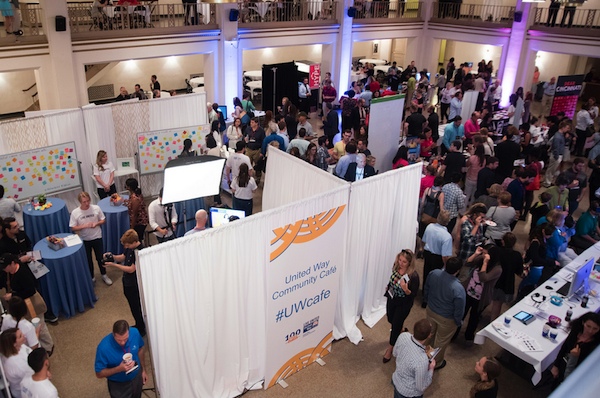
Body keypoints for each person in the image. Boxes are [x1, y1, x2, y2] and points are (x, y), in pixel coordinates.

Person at [424, 257, 466, 369]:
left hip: (431, 310)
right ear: (458, 270)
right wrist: (458, 322)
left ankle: (425, 355)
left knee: (429, 335)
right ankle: (436, 362)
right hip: (447, 319)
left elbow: (426, 289)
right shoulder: (458, 288)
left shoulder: (433, 273)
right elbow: (459, 310)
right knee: (440, 341)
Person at [103, 232, 146, 337]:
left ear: (134, 242)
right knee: (132, 306)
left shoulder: (141, 251)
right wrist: (112, 256)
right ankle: (138, 324)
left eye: (127, 245)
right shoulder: (129, 247)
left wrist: (114, 265)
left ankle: (141, 328)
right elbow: (122, 257)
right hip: (127, 281)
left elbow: (131, 269)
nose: (126, 247)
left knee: (136, 306)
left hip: (134, 284)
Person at [382, 249, 420, 363]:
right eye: (400, 260)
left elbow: (413, 294)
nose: (401, 263)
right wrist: (389, 286)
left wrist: (406, 289)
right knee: (390, 318)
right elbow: (393, 279)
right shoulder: (396, 266)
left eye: (404, 262)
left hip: (403, 303)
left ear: (409, 263)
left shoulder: (413, 276)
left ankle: (390, 349)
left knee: (395, 326)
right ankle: (401, 329)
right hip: (392, 298)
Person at [95, 320, 147, 397]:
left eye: (126, 339)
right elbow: (99, 373)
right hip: (118, 384)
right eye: (119, 340)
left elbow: (140, 349)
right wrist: (119, 369)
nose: (123, 343)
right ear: (113, 334)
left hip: (136, 376)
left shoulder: (135, 333)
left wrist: (143, 370)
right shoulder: (103, 348)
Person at [70, 192, 111, 285]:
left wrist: (96, 224)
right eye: (84, 202)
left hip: (97, 236)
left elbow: (103, 220)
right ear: (80, 202)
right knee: (88, 259)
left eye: (88, 201)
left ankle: (104, 275)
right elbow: (73, 227)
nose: (87, 203)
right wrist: (84, 226)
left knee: (100, 258)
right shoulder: (75, 213)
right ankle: (91, 277)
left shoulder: (96, 208)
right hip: (85, 239)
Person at [462, 245, 502, 343]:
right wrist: (476, 254)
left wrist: (485, 263)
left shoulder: (497, 269)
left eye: (485, 253)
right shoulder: (481, 258)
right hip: (468, 292)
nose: (483, 255)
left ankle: (468, 335)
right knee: (461, 314)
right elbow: (467, 263)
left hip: (481, 298)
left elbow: (483, 278)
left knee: (474, 317)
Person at [551, 312, 600, 386]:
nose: (590, 331)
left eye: (595, 329)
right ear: (583, 323)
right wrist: (556, 365)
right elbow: (564, 347)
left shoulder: (595, 345)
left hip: (573, 372)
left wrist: (575, 357)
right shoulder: (576, 331)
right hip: (563, 363)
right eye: (588, 326)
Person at [391, 319, 435, 398]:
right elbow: (421, 387)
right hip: (408, 393)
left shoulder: (403, 335)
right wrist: (431, 368)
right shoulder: (422, 361)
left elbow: (394, 353)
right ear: (429, 335)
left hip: (396, 379)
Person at [421, 210, 452, 308]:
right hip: (438, 258)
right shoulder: (447, 236)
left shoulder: (429, 227)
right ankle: (430, 298)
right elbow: (445, 255)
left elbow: (423, 241)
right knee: (435, 279)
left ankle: (423, 297)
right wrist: (446, 266)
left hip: (428, 254)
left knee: (426, 274)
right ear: (448, 222)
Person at [489, 233, 524, 321]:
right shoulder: (517, 255)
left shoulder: (496, 251)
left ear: (503, 241)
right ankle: (494, 321)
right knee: (499, 304)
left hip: (495, 280)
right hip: (507, 282)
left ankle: (491, 320)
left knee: (494, 304)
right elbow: (519, 272)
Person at [0, 328, 33, 398]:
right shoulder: (18, 364)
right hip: (24, 392)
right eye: (20, 336)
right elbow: (33, 376)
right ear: (14, 344)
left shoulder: (18, 347)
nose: (24, 335)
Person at [123, 178, 148, 244]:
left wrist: (132, 228)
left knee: (137, 240)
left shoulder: (135, 198)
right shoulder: (135, 194)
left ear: (129, 187)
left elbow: (134, 214)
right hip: (141, 220)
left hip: (140, 222)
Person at [244, 118, 265, 185]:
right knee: (247, 163)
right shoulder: (248, 129)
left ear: (256, 123)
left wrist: (262, 151)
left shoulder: (261, 131)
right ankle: (247, 177)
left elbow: (263, 141)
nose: (251, 124)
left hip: (257, 150)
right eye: (251, 122)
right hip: (249, 148)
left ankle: (258, 178)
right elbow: (245, 136)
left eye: (252, 122)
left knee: (257, 164)